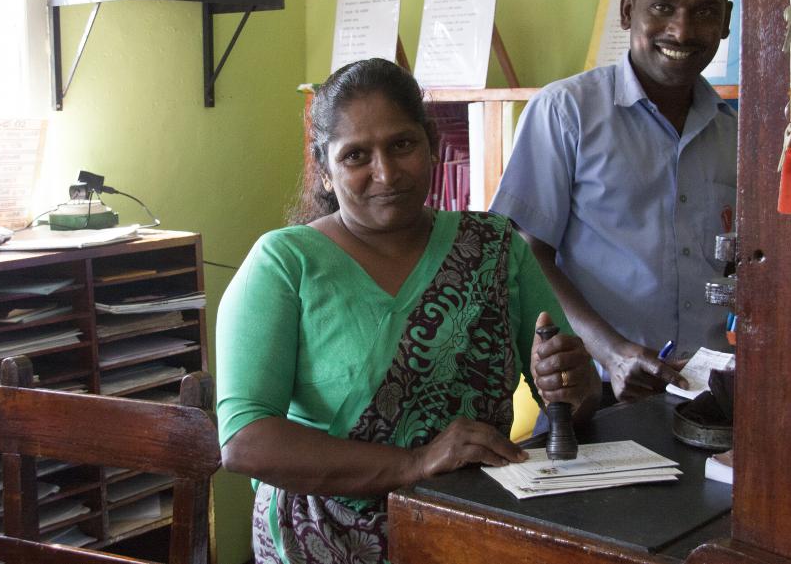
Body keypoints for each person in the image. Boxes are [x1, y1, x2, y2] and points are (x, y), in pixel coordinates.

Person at [217, 58, 600, 564]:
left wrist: (571, 385)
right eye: (357, 155)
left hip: (473, 527)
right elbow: (245, 442)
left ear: (432, 146)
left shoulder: (494, 247)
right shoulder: (285, 263)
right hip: (324, 540)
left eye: (402, 144)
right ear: (326, 172)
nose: (387, 173)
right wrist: (416, 463)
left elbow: (579, 396)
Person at [490, 0, 736, 406]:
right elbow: (524, 254)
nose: (681, 31)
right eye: (662, 7)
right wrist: (614, 352)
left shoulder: (736, 132)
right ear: (628, 11)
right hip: (594, 393)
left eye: (704, 12)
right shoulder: (566, 111)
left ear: (725, 22)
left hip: (707, 393)